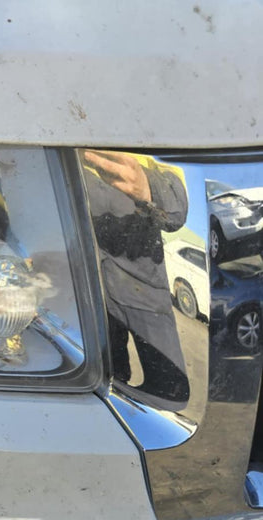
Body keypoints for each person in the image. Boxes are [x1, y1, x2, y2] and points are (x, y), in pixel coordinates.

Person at [82, 150, 190, 408]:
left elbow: (178, 211)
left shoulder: (142, 146)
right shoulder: (57, 150)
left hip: (145, 291)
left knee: (169, 394)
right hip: (85, 294)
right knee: (103, 390)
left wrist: (148, 187)